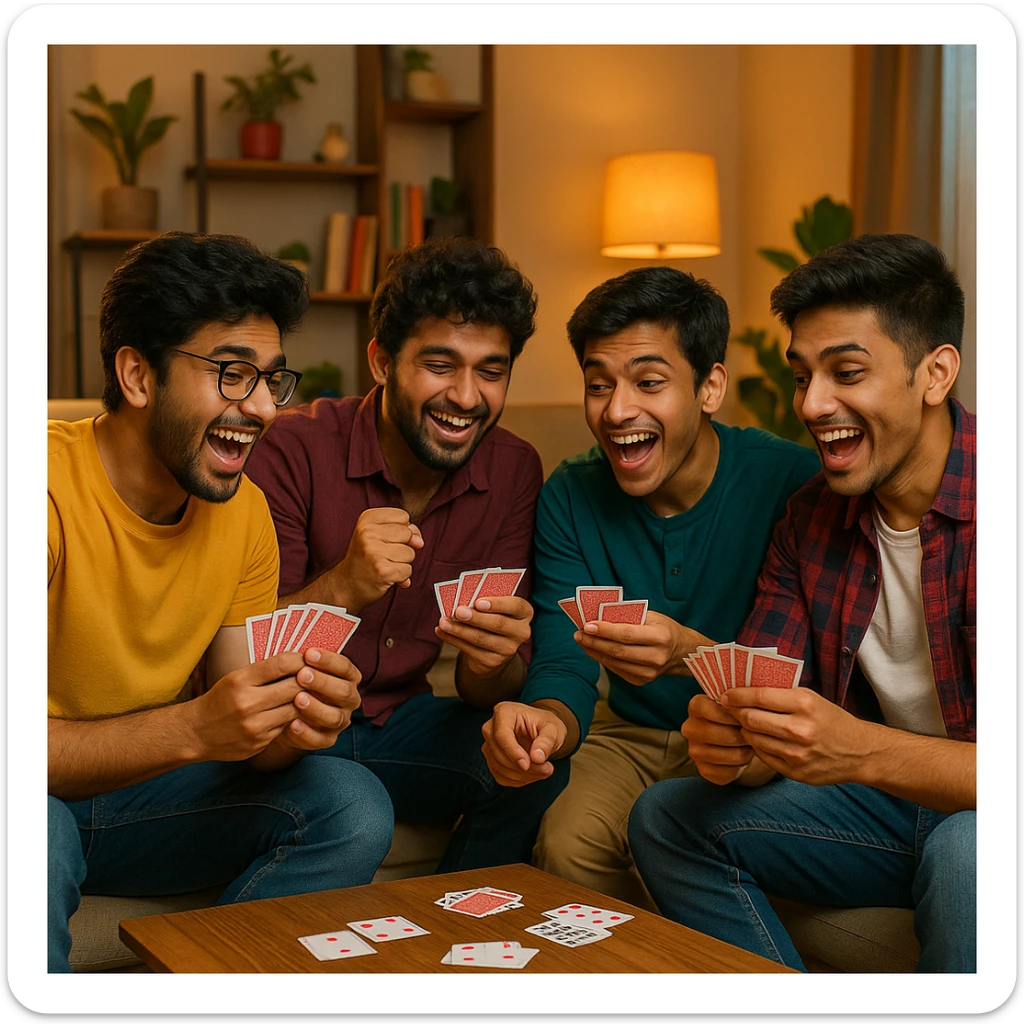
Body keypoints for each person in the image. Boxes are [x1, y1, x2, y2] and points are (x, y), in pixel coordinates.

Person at [627, 233, 976, 973]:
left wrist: (858, 749)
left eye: (846, 372)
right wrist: (739, 748)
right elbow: (765, 695)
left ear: (935, 373)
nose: (813, 405)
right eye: (802, 376)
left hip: (979, 821)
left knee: (970, 849)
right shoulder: (810, 516)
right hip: (885, 811)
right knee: (667, 816)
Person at [48, 232, 394, 974]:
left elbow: (257, 745)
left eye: (273, 380)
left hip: (141, 803)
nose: (263, 409)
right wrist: (199, 725)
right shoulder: (39, 490)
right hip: (34, 803)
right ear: (138, 374)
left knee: (350, 801)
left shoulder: (245, 515)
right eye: (234, 375)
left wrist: (299, 720)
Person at [477, 265, 821, 908]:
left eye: (649, 382)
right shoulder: (571, 493)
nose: (617, 411)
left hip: (744, 739)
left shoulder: (791, 483)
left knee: (686, 831)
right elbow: (561, 660)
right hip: (627, 736)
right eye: (597, 385)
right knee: (565, 839)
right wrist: (547, 723)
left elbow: (810, 681)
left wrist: (689, 653)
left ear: (710, 386)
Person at [244, 235, 569, 870]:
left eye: (492, 371)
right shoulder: (292, 450)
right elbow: (243, 647)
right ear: (382, 360)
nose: (468, 397)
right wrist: (345, 583)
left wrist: (492, 659)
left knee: (535, 764)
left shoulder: (513, 470)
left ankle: (452, 938)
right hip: (296, 730)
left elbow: (489, 687)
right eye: (441, 365)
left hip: (406, 726)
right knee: (349, 794)